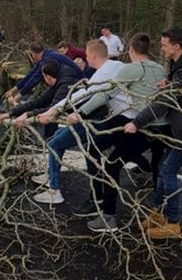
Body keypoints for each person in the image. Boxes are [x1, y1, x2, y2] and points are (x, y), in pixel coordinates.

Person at [58, 33, 166, 232]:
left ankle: (108, 216)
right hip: (161, 128)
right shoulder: (160, 69)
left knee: (111, 164)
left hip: (141, 126)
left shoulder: (132, 68)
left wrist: (80, 113)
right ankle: (161, 214)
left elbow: (105, 94)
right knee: (160, 170)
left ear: (131, 50)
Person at [124, 27, 182, 240]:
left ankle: (173, 223)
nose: (162, 48)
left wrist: (137, 122)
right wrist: (168, 82)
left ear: (176, 46)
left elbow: (166, 101)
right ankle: (157, 213)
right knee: (163, 165)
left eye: (165, 44)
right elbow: (181, 87)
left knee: (168, 168)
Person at [30, 40, 123, 205]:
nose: (84, 58)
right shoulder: (115, 66)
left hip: (99, 119)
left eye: (86, 55)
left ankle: (55, 190)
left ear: (93, 56)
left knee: (55, 143)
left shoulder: (103, 73)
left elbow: (82, 95)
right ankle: (53, 177)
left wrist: (53, 111)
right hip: (106, 117)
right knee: (60, 139)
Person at [0, 59, 81, 140]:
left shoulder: (65, 85)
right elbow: (39, 101)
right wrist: (11, 113)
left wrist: (28, 114)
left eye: (43, 76)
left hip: (81, 117)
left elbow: (54, 108)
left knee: (55, 144)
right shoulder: (59, 80)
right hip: (70, 113)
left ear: (48, 76)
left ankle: (49, 140)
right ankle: (49, 139)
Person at [4, 42, 84, 104]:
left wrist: (19, 96)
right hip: (70, 80)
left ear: (33, 53)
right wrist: (14, 89)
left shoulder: (47, 60)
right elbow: (31, 74)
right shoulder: (47, 54)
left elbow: (34, 80)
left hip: (76, 82)